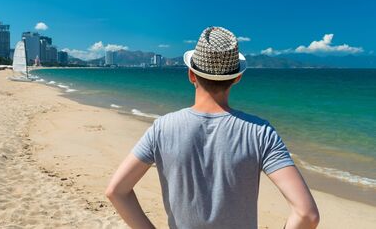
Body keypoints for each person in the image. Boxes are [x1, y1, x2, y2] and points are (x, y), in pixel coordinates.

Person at [105, 27, 319, 229]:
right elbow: (307, 214)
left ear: (191, 75)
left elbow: (116, 191)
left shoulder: (162, 128)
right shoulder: (260, 132)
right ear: (237, 78)